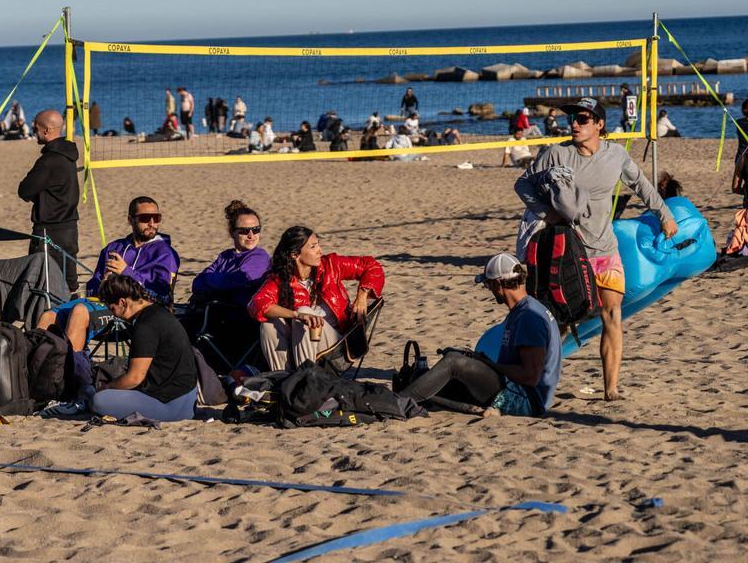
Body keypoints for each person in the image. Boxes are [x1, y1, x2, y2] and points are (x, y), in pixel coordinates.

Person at [515, 96, 677, 401]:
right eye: (572, 119)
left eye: (582, 119)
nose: (574, 124)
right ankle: (539, 383)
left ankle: (610, 389)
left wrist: (665, 215)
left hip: (605, 250)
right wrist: (545, 213)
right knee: (560, 323)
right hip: (568, 253)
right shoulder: (556, 154)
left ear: (599, 125)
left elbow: (641, 185)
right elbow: (523, 185)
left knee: (612, 315)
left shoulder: (615, 155)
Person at [399, 253, 561, 417]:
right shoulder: (524, 309)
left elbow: (530, 376)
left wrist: (488, 364)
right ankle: (407, 398)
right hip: (514, 388)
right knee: (435, 376)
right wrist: (479, 360)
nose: (489, 289)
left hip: (525, 399)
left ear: (498, 283)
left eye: (488, 285)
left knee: (454, 362)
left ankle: (396, 402)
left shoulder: (529, 317)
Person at [247, 226, 385, 372]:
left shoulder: (331, 265)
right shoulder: (280, 279)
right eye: (313, 247)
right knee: (269, 326)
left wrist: (362, 295)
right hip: (299, 343)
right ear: (295, 255)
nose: (320, 250)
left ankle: (306, 381)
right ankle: (284, 380)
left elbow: (371, 266)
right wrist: (296, 314)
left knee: (305, 315)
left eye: (318, 244)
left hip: (337, 346)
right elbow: (256, 304)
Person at [91, 275, 198, 422]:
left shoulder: (145, 325)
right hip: (188, 397)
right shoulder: (159, 311)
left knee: (99, 400)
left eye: (112, 308)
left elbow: (134, 378)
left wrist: (107, 387)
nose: (112, 314)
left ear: (122, 302)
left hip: (171, 405)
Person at [18, 110, 81, 293]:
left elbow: (24, 191)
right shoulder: (69, 155)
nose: (33, 131)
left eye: (35, 127)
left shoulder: (48, 161)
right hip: (70, 228)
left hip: (49, 229)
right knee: (69, 283)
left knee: (42, 284)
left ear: (46, 130)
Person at [86, 196, 180, 303]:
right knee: (66, 311)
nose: (152, 223)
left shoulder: (166, 253)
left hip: (144, 311)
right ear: (130, 220)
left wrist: (126, 272)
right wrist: (103, 284)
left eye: (156, 218)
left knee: (80, 312)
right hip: (108, 307)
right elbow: (90, 289)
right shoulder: (113, 248)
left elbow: (162, 296)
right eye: (145, 218)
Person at [190, 200, 271, 309]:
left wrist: (211, 280)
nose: (251, 235)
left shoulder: (259, 257)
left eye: (256, 230)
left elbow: (241, 279)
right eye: (244, 231)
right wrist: (216, 281)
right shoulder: (225, 256)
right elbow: (197, 282)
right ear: (232, 232)